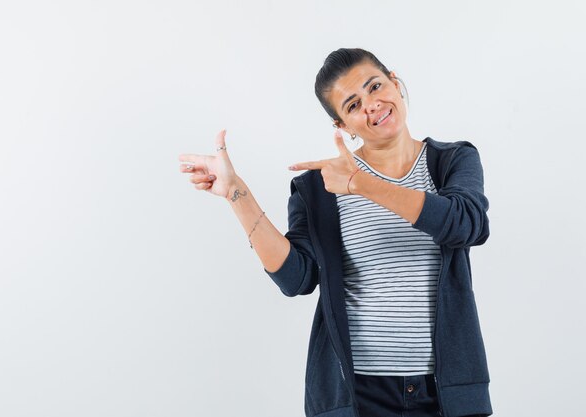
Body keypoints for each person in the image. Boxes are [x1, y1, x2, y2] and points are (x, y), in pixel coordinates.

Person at [178, 48, 493, 417]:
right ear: (342, 126)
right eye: (353, 105)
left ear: (394, 81)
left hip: (447, 392)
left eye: (375, 86)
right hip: (355, 394)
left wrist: (364, 184)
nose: (372, 105)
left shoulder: (452, 160)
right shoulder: (317, 188)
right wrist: (236, 192)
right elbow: (297, 278)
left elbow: (466, 224)